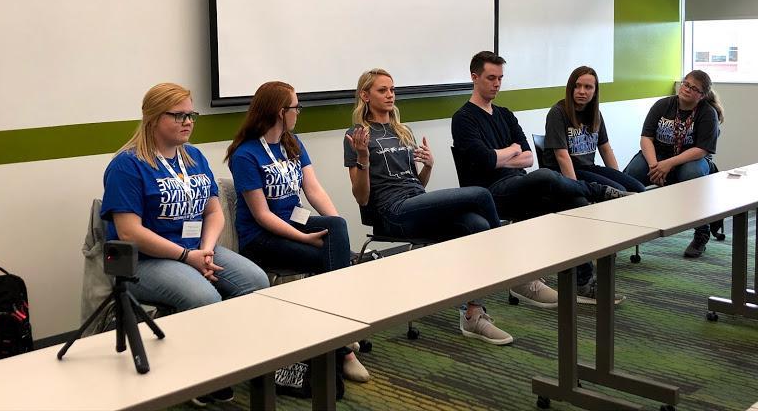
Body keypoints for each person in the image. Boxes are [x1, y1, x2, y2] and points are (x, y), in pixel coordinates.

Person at [101, 82, 270, 406]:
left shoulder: (192, 156)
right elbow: (128, 232)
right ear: (152, 117)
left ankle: (230, 358)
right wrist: (186, 255)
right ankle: (198, 377)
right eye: (178, 115)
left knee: (256, 281)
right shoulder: (127, 164)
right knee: (204, 296)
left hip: (196, 249)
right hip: (143, 260)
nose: (188, 121)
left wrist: (204, 250)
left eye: (190, 114)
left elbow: (214, 210)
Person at [344, 68, 517, 345]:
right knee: (481, 195)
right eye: (382, 90)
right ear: (365, 95)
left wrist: (429, 166)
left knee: (477, 224)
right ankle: (513, 276)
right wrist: (363, 158)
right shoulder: (356, 136)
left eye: (392, 89)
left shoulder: (402, 130)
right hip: (391, 212)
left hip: (413, 203)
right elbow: (362, 198)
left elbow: (418, 186)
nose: (390, 95)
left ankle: (473, 313)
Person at [451, 51, 627, 305]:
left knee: (575, 203)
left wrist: (503, 155)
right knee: (546, 175)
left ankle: (582, 283)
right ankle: (598, 190)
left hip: (521, 186)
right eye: (491, 78)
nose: (497, 84)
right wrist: (511, 151)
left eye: (500, 78)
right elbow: (487, 160)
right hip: (490, 193)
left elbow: (528, 158)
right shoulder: (463, 118)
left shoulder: (505, 114)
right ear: (474, 77)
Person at [225, 81, 369, 382]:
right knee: (330, 259)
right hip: (262, 238)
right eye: (295, 107)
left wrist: (336, 228)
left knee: (337, 231)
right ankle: (343, 348)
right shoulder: (245, 155)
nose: (298, 112)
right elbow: (262, 215)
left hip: (295, 220)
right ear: (280, 112)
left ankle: (337, 334)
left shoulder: (292, 142)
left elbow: (313, 189)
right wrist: (304, 238)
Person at [624, 70, 724, 258]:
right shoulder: (663, 105)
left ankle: (701, 232)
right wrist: (655, 166)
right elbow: (646, 138)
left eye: (694, 88)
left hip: (692, 159)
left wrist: (668, 164)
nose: (687, 89)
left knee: (691, 175)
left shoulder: (707, 113)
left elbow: (702, 149)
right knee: (631, 175)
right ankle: (621, 232)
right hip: (657, 156)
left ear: (701, 96)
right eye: (686, 84)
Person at [543, 66, 644, 193]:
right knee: (619, 190)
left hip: (588, 168)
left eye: (588, 87)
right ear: (570, 89)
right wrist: (575, 188)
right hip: (565, 172)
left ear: (595, 91)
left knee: (638, 188)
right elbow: (562, 156)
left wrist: (619, 176)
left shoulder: (595, 113)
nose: (581, 91)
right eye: (577, 86)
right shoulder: (558, 112)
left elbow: (606, 149)